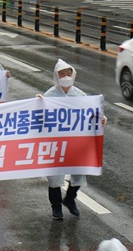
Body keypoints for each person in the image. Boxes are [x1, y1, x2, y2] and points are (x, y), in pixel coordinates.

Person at [39, 59, 106, 220]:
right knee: (55, 177)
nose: (66, 77)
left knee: (79, 172)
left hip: (75, 142)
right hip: (56, 142)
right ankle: (56, 208)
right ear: (56, 76)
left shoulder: (79, 94)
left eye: (69, 74)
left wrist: (101, 118)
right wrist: (37, 103)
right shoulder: (49, 96)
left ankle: (70, 199)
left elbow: (92, 112)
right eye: (62, 74)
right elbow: (39, 116)